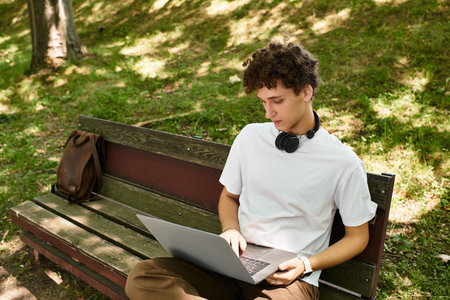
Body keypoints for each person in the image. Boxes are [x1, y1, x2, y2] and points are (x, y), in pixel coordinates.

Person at [125, 40, 377, 300]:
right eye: (263, 102)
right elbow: (229, 196)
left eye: (277, 101)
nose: (269, 112)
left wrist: (305, 264)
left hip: (289, 281)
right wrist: (231, 229)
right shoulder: (250, 137)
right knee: (144, 277)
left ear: (306, 92)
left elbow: (357, 238)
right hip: (233, 266)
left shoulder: (342, 162)